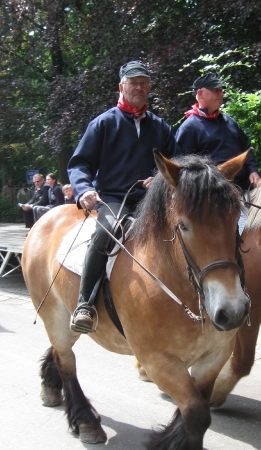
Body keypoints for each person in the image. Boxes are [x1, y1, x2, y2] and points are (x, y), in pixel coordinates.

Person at [67, 60, 177, 333]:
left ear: (149, 88)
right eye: (133, 83)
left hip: (153, 200)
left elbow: (176, 162)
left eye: (144, 83)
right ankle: (85, 304)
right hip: (115, 198)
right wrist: (84, 189)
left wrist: (162, 178)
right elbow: (79, 164)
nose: (139, 88)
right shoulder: (103, 124)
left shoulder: (161, 127)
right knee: (106, 231)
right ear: (122, 87)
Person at [174, 72, 261, 190]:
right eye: (215, 90)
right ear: (200, 93)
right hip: (215, 193)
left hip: (246, 189)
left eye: (221, 90)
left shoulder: (230, 122)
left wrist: (253, 170)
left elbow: (247, 149)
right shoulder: (189, 128)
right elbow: (183, 168)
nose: (220, 94)